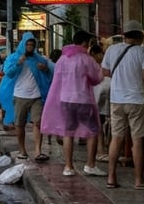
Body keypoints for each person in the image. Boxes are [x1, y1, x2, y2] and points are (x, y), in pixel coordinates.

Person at [40, 30, 105, 177]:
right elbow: (96, 78)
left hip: (65, 100)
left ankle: (68, 167)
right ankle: (90, 165)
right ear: (85, 43)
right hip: (83, 100)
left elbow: (57, 81)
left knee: (68, 133)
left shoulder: (62, 59)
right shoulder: (86, 59)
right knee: (93, 131)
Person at [103, 21, 144, 190]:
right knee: (137, 139)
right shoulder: (142, 52)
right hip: (136, 101)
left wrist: (121, 77)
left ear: (124, 35)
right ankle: (139, 180)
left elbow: (105, 72)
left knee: (116, 138)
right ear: (139, 36)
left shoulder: (112, 50)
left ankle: (111, 178)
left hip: (116, 100)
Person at [0, 32, 52, 162]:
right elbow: (8, 73)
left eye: (32, 45)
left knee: (38, 122)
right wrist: (18, 63)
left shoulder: (39, 59)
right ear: (23, 45)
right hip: (20, 95)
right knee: (19, 124)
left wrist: (44, 69)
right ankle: (22, 151)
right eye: (28, 45)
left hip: (36, 96)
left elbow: (48, 75)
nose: (30, 47)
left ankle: (38, 151)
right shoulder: (14, 58)